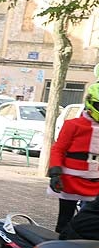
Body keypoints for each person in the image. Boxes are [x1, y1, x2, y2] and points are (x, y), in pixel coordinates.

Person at [47, 83, 99, 233]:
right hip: (70, 181)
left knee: (88, 221)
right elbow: (58, 149)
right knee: (64, 219)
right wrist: (55, 173)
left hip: (96, 182)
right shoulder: (72, 125)